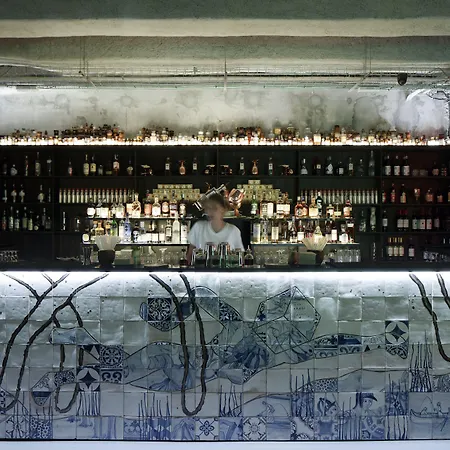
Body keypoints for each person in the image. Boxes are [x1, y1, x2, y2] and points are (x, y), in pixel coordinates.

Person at [186, 193, 243, 264]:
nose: (210, 212)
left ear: (223, 210)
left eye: (214, 208)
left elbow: (240, 259)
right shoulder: (198, 227)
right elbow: (189, 257)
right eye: (208, 208)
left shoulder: (233, 231)